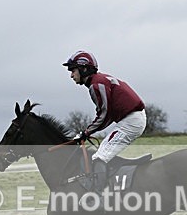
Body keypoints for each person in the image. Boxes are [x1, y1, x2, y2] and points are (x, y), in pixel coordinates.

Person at [62, 50, 147, 192]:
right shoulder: (98, 81)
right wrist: (88, 132)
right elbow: (106, 115)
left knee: (99, 157)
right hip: (130, 119)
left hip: (131, 121)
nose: (71, 75)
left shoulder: (96, 85)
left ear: (84, 69)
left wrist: (86, 132)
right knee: (102, 153)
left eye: (73, 70)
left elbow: (104, 115)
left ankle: (98, 197)